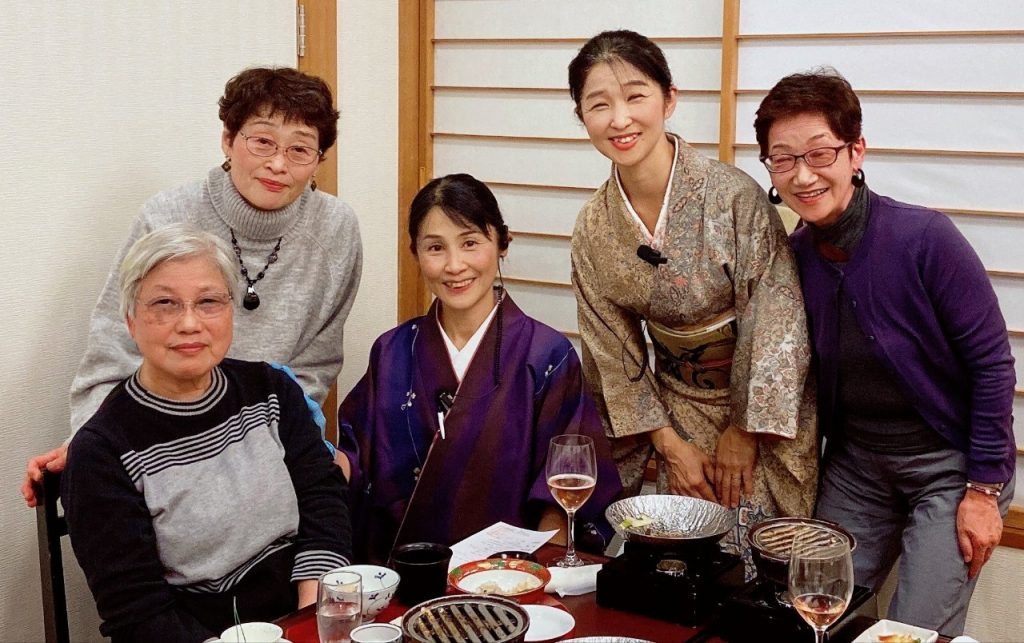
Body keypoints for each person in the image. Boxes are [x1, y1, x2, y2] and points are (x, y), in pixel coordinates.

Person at [22, 66, 362, 506]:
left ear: (319, 161)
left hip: (271, 432)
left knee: (339, 491)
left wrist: (261, 445)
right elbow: (112, 354)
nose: (278, 163)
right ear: (227, 139)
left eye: (300, 149)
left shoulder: (336, 229)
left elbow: (314, 367)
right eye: (262, 141)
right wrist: (92, 441)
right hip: (164, 434)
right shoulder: (166, 217)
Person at [754, 68, 1016, 635]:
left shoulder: (925, 239)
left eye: (820, 153)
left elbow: (993, 365)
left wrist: (983, 490)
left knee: (911, 631)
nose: (803, 174)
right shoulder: (792, 257)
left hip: (949, 466)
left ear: (856, 151)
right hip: (856, 468)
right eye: (783, 159)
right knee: (808, 612)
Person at [567, 30, 819, 568]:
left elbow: (777, 321)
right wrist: (666, 441)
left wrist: (744, 429)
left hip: (759, 411)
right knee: (676, 561)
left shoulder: (735, 197)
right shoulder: (593, 227)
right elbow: (611, 351)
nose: (620, 119)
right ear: (581, 115)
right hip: (671, 407)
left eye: (636, 96)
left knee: (767, 561)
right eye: (599, 104)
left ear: (669, 99)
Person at [62, 224, 352, 642]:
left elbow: (323, 499)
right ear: (130, 321)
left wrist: (310, 619)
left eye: (209, 302)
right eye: (165, 304)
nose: (190, 323)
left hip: (302, 609)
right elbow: (137, 613)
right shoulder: (102, 451)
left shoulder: (271, 390)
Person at [337, 173, 621, 564]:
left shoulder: (546, 356)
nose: (455, 266)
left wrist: (535, 576)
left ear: (502, 243)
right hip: (406, 576)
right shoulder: (392, 352)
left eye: (470, 243)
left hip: (510, 578)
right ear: (415, 253)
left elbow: (565, 490)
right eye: (435, 247)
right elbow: (354, 464)